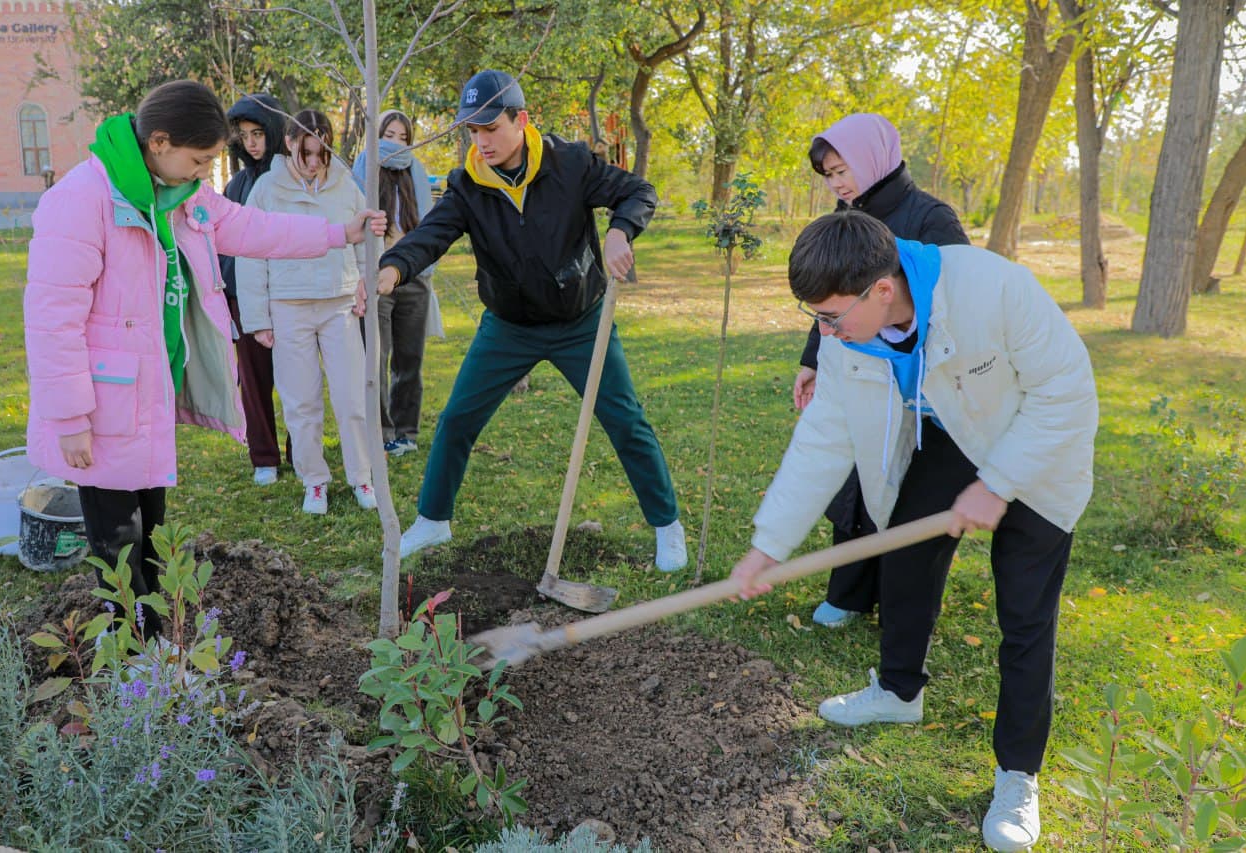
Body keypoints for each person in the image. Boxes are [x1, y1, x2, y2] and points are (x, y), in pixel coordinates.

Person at [732, 210, 1097, 852]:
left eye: (831, 317)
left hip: (1040, 451)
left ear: (881, 288)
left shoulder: (994, 289)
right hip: (956, 433)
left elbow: (1066, 393)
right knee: (905, 545)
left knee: (1025, 615)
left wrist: (998, 483)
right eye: (816, 318)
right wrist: (769, 545)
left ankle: (1017, 776)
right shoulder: (849, 339)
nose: (825, 333)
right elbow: (824, 436)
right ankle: (899, 690)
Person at [24, 81, 386, 641]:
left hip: (148, 391)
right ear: (160, 142)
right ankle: (132, 653)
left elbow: (251, 228)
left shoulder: (178, 191)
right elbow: (52, 323)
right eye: (199, 160)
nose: (204, 174)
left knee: (151, 523)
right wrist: (70, 419)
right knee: (117, 538)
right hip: (99, 406)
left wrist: (339, 232)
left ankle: (152, 641)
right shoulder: (82, 201)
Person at [376, 69, 687, 571]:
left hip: (580, 323)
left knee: (626, 422)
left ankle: (667, 527)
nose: (482, 141)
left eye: (490, 128)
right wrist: (393, 267)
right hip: (509, 327)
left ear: (521, 119)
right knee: (456, 420)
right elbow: (431, 234)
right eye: (472, 132)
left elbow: (638, 192)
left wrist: (619, 232)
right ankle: (434, 520)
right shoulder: (468, 185)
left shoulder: (570, 164)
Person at [797, 114, 970, 630]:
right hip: (856, 369)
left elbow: (957, 302)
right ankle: (849, 593)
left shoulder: (932, 218)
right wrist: (812, 361)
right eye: (828, 175)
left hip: (918, 383)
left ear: (873, 157)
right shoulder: (844, 215)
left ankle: (902, 602)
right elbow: (829, 296)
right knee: (854, 477)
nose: (837, 183)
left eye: (842, 169)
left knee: (911, 491)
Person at [236, 109, 379, 516]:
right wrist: (258, 318)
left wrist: (366, 279)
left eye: (322, 154)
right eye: (306, 153)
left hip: (339, 305)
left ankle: (361, 476)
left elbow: (365, 238)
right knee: (301, 402)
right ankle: (314, 481)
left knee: (352, 396)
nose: (315, 163)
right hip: (288, 307)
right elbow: (250, 251)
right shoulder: (266, 189)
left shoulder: (347, 186)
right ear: (289, 145)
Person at [352, 109, 443, 458]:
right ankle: (381, 432)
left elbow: (428, 225)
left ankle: (406, 431)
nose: (396, 142)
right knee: (376, 358)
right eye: (390, 134)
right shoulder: (362, 169)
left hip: (414, 277)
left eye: (404, 137)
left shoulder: (415, 172)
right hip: (376, 277)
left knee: (410, 360)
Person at [219, 92, 292, 486]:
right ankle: (264, 456)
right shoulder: (237, 185)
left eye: (259, 132)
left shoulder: (294, 180)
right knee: (254, 381)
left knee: (301, 382)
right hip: (243, 299)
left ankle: (302, 449)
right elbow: (225, 244)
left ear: (276, 132)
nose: (251, 142)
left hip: (291, 294)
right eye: (244, 134)